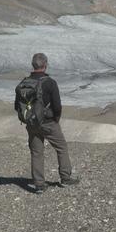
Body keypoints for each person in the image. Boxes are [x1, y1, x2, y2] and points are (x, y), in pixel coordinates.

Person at [15, 53, 79, 194]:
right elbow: (57, 105)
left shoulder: (23, 83)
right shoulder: (49, 82)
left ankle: (39, 185)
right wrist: (56, 119)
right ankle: (65, 178)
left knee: (37, 152)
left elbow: (17, 106)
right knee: (61, 147)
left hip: (32, 124)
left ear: (33, 65)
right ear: (45, 65)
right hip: (48, 122)